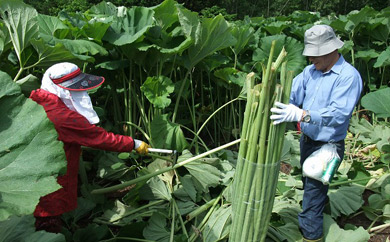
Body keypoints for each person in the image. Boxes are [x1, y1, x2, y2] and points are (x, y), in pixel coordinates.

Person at [29, 62, 150, 233]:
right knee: (46, 219)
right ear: (61, 90)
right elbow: (98, 138)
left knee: (29, 214)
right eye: (72, 89)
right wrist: (134, 144)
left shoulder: (35, 100)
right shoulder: (61, 117)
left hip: (29, 173)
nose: (79, 93)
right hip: (52, 176)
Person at [270, 25, 362, 241]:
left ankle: (312, 237)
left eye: (315, 54)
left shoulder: (348, 76)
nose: (310, 58)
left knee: (312, 196)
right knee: (311, 186)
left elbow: (338, 114)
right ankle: (321, 209)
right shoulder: (309, 72)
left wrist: (302, 115)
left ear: (330, 50)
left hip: (329, 147)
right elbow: (292, 96)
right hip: (308, 140)